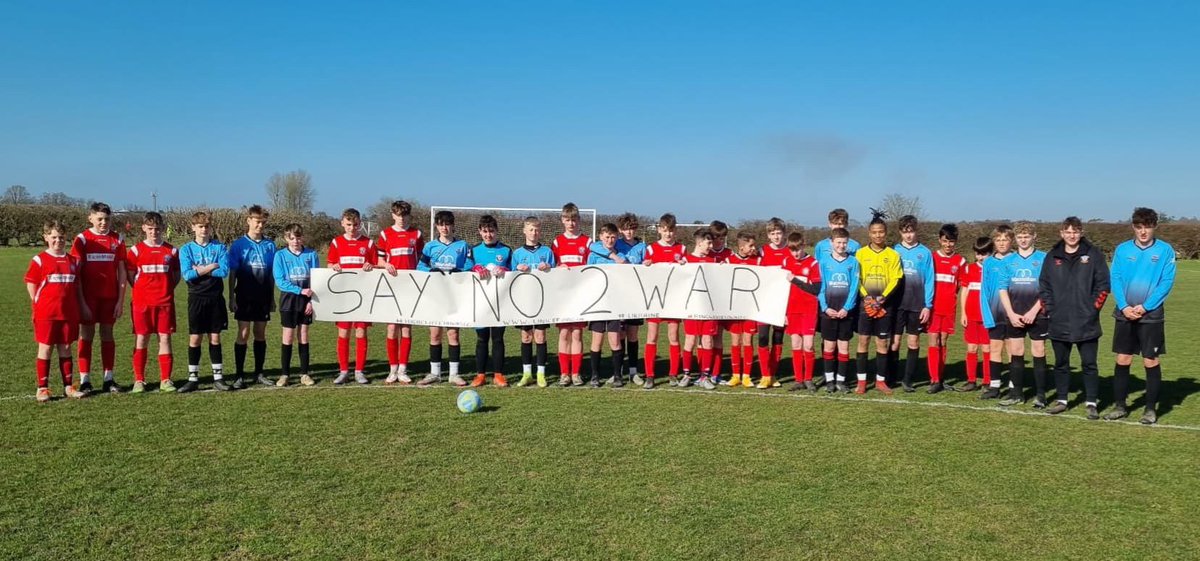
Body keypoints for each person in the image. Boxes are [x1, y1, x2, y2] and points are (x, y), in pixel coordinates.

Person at [1104, 207, 1176, 425]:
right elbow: (1115, 278)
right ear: (1133, 227)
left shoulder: (1165, 250)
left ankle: (1150, 410)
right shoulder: (1123, 249)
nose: (1143, 231)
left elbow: (1166, 282)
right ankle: (1120, 407)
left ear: (1155, 226)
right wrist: (1124, 306)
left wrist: (1145, 307)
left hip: (1151, 314)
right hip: (1125, 313)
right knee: (1122, 358)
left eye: (1147, 227)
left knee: (1150, 359)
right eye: (1139, 227)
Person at [1039, 216, 1110, 418]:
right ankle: (1062, 399)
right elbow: (1043, 285)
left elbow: (1103, 285)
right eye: (1068, 232)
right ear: (1062, 233)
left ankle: (1091, 402)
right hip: (1058, 320)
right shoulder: (1052, 256)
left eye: (1075, 232)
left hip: (1086, 321)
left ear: (1081, 233)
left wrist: (1092, 309)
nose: (1072, 235)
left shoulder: (1093, 254)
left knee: (1089, 364)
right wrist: (1050, 309)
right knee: (1061, 363)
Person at [26, 220, 87, 402]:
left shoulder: (72, 261)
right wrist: (38, 302)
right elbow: (31, 283)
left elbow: (76, 287)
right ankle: (42, 388)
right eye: (53, 237)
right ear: (46, 238)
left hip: (68, 313)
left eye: (61, 237)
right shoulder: (39, 260)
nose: (58, 241)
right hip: (46, 314)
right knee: (45, 348)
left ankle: (68, 386)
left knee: (66, 347)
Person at [70, 202, 126, 393]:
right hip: (88, 298)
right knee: (86, 335)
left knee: (107, 334)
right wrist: (81, 301)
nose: (103, 222)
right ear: (91, 218)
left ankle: (108, 378)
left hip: (109, 297)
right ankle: (85, 379)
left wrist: (120, 300)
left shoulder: (117, 239)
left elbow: (121, 271)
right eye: (100, 219)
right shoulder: (82, 240)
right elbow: (76, 273)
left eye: (107, 219)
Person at [125, 212, 180, 393]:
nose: (154, 232)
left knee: (164, 338)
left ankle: (165, 379)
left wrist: (164, 290)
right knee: (142, 338)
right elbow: (131, 276)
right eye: (150, 229)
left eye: (157, 229)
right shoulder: (135, 251)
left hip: (164, 303)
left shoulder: (171, 251)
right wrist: (143, 292)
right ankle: (139, 380)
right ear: (143, 228)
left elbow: (175, 276)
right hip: (142, 304)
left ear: (162, 229)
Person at [417, 210, 472, 386]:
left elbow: (470, 266)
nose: (444, 228)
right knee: (435, 334)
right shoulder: (430, 246)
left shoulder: (463, 246)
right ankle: (435, 373)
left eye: (447, 224)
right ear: (436, 226)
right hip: (436, 296)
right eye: (441, 224)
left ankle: (454, 374)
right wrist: (431, 271)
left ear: (453, 225)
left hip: (454, 296)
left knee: (453, 334)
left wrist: (460, 272)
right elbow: (420, 266)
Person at [997, 222, 1050, 407]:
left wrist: (1034, 311)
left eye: (1027, 236)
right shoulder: (1008, 261)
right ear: (1015, 239)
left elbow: (1047, 289)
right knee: (1016, 352)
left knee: (1039, 351)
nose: (1023, 240)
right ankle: (1016, 394)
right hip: (1015, 315)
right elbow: (1002, 289)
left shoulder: (1044, 258)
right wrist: (1011, 313)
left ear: (1034, 236)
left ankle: (1041, 396)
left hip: (1038, 315)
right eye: (1020, 237)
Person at [177, 211, 230, 393]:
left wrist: (200, 269)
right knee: (195, 338)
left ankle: (218, 378)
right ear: (193, 227)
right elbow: (188, 275)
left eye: (207, 226)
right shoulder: (186, 250)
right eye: (200, 226)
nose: (204, 230)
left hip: (215, 298)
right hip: (196, 298)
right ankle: (193, 378)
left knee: (215, 337)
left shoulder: (219, 248)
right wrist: (211, 266)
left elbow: (223, 272)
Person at [853, 210, 902, 394]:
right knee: (863, 340)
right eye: (874, 232)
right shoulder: (860, 254)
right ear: (869, 233)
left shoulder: (893, 255)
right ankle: (862, 381)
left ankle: (881, 381)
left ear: (886, 232)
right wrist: (866, 296)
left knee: (882, 343)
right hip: (866, 305)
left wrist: (883, 298)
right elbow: (856, 278)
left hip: (884, 305)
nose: (878, 235)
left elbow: (896, 279)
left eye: (881, 232)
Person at [227, 204, 276, 388]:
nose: (260, 226)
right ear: (249, 220)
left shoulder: (270, 245)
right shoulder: (239, 245)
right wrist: (231, 297)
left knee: (260, 333)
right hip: (244, 295)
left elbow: (271, 274)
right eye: (257, 222)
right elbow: (232, 273)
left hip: (263, 296)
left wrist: (271, 298)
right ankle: (239, 375)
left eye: (263, 222)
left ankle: (259, 373)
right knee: (244, 333)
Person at [376, 200, 424, 384]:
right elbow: (379, 261)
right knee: (391, 327)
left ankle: (403, 369)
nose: (401, 219)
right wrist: (386, 264)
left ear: (409, 216)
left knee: (406, 327)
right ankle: (392, 369)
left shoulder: (417, 234)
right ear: (393, 215)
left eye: (405, 215)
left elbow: (421, 261)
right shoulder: (385, 234)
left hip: (410, 288)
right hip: (390, 287)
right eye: (398, 215)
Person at [327, 208, 376, 385]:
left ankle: (359, 371)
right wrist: (333, 267)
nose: (352, 228)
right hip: (343, 297)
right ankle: (343, 371)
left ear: (360, 224)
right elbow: (330, 264)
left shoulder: (368, 243)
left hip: (363, 297)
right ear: (342, 223)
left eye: (355, 224)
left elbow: (376, 265)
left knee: (361, 332)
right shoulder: (336, 242)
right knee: (344, 332)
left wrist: (371, 266)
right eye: (348, 224)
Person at [641, 213, 686, 389]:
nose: (668, 234)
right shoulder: (651, 249)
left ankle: (673, 374)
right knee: (652, 336)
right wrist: (646, 266)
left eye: (671, 230)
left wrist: (684, 264)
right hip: (655, 300)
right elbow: (645, 273)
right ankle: (650, 375)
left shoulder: (681, 249)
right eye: (665, 230)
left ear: (675, 231)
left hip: (674, 300)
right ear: (659, 230)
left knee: (673, 336)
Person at [891, 215, 935, 392]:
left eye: (911, 231)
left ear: (916, 231)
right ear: (900, 232)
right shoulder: (894, 251)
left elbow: (930, 279)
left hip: (917, 304)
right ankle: (891, 377)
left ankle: (908, 380)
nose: (908, 235)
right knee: (894, 342)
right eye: (905, 232)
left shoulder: (925, 253)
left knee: (913, 342)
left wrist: (927, 305)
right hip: (897, 304)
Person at [273, 223, 320, 387]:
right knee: (288, 336)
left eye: (298, 237)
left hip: (306, 301)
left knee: (304, 335)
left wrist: (311, 301)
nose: (295, 241)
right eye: (292, 238)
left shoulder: (311, 254)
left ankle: (304, 374)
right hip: (289, 300)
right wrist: (299, 290)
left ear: (302, 237)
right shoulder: (280, 256)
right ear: (286, 239)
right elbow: (280, 281)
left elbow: (317, 280)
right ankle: (285, 374)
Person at [511, 216, 556, 387]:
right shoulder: (517, 254)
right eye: (530, 229)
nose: (534, 233)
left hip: (542, 301)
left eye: (536, 230)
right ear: (524, 231)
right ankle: (527, 373)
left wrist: (550, 268)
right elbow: (509, 276)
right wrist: (516, 269)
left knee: (540, 336)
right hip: (523, 302)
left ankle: (541, 374)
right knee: (526, 336)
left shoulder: (547, 252)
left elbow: (556, 275)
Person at [469, 215, 512, 388]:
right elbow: (465, 267)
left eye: (491, 231)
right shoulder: (473, 250)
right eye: (485, 231)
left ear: (497, 231)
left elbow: (515, 271)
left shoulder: (507, 251)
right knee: (481, 339)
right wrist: (475, 268)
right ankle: (480, 375)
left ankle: (498, 375)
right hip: (480, 302)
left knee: (498, 338)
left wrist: (506, 269)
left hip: (500, 302)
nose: (488, 235)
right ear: (480, 231)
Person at [552, 202, 592, 385]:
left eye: (574, 219)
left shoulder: (587, 242)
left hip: (580, 296)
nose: (571, 223)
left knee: (577, 334)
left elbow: (593, 267)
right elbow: (551, 267)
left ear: (579, 220)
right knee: (564, 334)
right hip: (562, 296)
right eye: (567, 219)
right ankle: (564, 373)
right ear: (562, 220)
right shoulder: (557, 242)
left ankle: (576, 373)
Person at [584, 223, 628, 387]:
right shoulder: (594, 253)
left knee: (615, 340)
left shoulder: (622, 255)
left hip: (615, 303)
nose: (610, 240)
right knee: (597, 340)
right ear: (601, 236)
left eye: (613, 237)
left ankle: (617, 375)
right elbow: (587, 275)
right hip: (598, 303)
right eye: (607, 236)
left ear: (617, 237)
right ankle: (595, 376)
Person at [818, 228, 860, 393]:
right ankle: (829, 380)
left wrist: (846, 308)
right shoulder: (823, 262)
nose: (841, 246)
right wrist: (825, 307)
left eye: (844, 242)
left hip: (845, 313)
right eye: (838, 242)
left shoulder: (853, 262)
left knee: (843, 348)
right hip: (828, 311)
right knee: (828, 347)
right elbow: (820, 287)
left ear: (848, 243)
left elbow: (854, 288)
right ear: (832, 243)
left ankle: (841, 381)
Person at [928, 224, 966, 394]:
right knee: (933, 340)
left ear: (955, 242)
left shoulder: (961, 261)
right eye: (945, 241)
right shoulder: (931, 258)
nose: (948, 245)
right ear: (939, 240)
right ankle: (934, 379)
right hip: (933, 308)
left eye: (951, 242)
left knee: (943, 341)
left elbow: (961, 286)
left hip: (949, 308)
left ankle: (940, 377)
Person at [978, 225, 1014, 399]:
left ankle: (1015, 385)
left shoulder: (1016, 260)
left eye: (1005, 239)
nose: (1001, 243)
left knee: (1013, 349)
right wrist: (986, 314)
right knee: (995, 348)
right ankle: (994, 386)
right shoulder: (989, 262)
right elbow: (983, 290)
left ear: (1011, 241)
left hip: (1013, 314)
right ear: (994, 242)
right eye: (998, 240)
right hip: (994, 313)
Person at [679, 229, 718, 390]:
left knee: (707, 340)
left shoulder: (714, 261)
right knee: (690, 340)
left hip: (709, 308)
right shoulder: (686, 261)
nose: (711, 246)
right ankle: (687, 374)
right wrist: (679, 267)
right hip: (692, 308)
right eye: (708, 242)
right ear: (699, 242)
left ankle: (705, 376)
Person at [783, 232, 821, 391]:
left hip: (808, 310)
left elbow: (815, 289)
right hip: (792, 310)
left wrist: (795, 280)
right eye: (792, 250)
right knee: (796, 344)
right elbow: (781, 289)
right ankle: (799, 380)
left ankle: (809, 379)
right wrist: (782, 311)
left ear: (804, 246)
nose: (796, 253)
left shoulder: (813, 263)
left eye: (798, 249)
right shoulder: (786, 261)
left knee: (809, 345)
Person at [954, 237, 993, 392]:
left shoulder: (993, 269)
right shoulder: (969, 269)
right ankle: (971, 380)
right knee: (971, 348)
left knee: (987, 349)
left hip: (987, 317)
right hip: (971, 316)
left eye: (984, 254)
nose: (981, 257)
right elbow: (965, 291)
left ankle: (987, 381)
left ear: (991, 253)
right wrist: (963, 313)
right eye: (978, 254)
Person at [756, 217, 791, 386]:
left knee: (778, 338)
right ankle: (765, 374)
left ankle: (773, 374)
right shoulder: (762, 251)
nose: (776, 236)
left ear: (784, 234)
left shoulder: (790, 251)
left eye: (779, 233)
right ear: (768, 235)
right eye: (773, 233)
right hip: (764, 304)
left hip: (783, 304)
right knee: (763, 337)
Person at [725, 231, 761, 388]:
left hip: (750, 309)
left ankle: (746, 375)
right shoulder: (728, 261)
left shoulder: (758, 261)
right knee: (735, 341)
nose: (754, 248)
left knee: (747, 340)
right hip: (734, 309)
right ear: (741, 247)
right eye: (750, 245)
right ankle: (735, 375)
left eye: (754, 245)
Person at [615, 213, 646, 383]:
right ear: (620, 230)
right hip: (618, 297)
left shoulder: (642, 247)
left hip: (635, 298)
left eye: (632, 229)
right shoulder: (616, 244)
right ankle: (618, 371)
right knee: (619, 334)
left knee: (632, 335)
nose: (629, 232)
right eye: (626, 229)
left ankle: (634, 371)